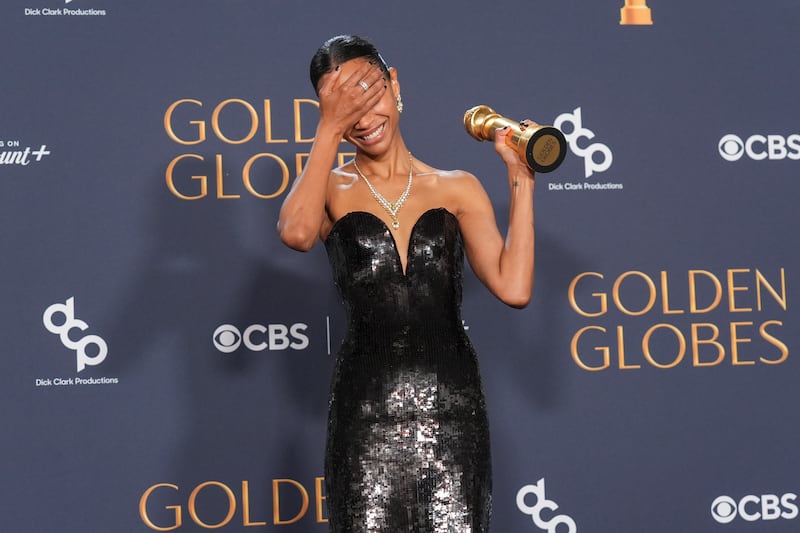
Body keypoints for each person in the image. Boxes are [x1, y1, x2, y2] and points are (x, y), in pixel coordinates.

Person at [278, 34, 535, 533]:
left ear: (394, 85)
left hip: (452, 411)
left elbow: (514, 287)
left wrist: (520, 178)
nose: (362, 116)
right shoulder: (328, 188)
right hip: (365, 412)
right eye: (341, 104)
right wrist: (329, 130)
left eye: (367, 93)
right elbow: (296, 233)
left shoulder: (457, 186)